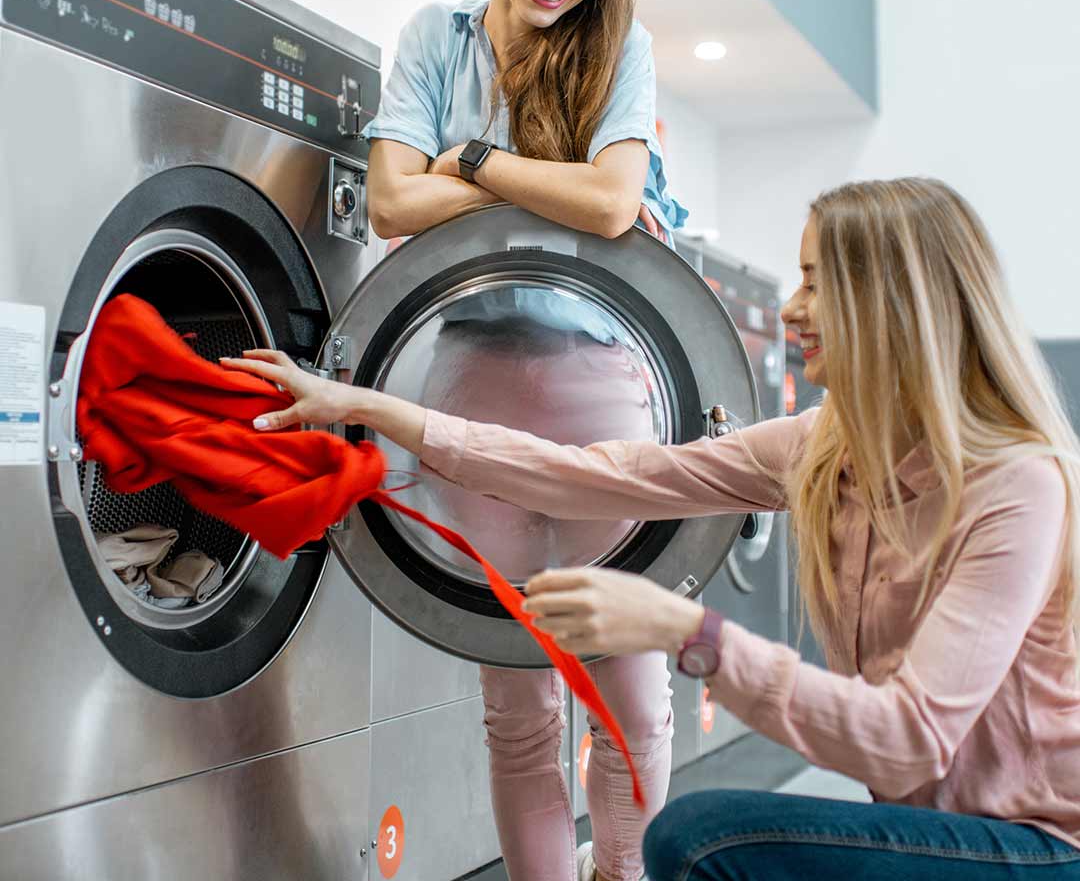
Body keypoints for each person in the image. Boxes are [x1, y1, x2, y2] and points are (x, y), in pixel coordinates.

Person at [227, 177, 1080, 878]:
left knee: (700, 841)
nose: (792, 309)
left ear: (895, 302)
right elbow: (596, 475)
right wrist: (374, 407)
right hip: (925, 828)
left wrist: (685, 630)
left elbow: (905, 742)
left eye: (818, 282)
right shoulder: (827, 446)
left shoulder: (1014, 485)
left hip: (1036, 846)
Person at [351, 0, 683, 881]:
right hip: (469, 383)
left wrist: (476, 162)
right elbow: (392, 201)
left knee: (631, 694)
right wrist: (547, 187)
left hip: (600, 385)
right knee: (519, 698)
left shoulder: (619, 47)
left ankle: (619, 871)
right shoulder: (435, 36)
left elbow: (614, 202)